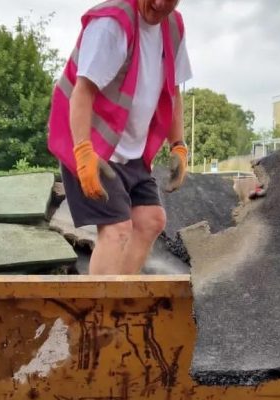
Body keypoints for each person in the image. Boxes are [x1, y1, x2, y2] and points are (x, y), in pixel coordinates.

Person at [48, 0, 192, 274]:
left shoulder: (173, 27)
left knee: (150, 220)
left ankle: (120, 294)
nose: (159, 3)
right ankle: (101, 302)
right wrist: (83, 153)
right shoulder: (112, 24)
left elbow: (172, 90)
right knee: (117, 229)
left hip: (132, 150)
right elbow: (82, 92)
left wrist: (178, 145)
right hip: (91, 145)